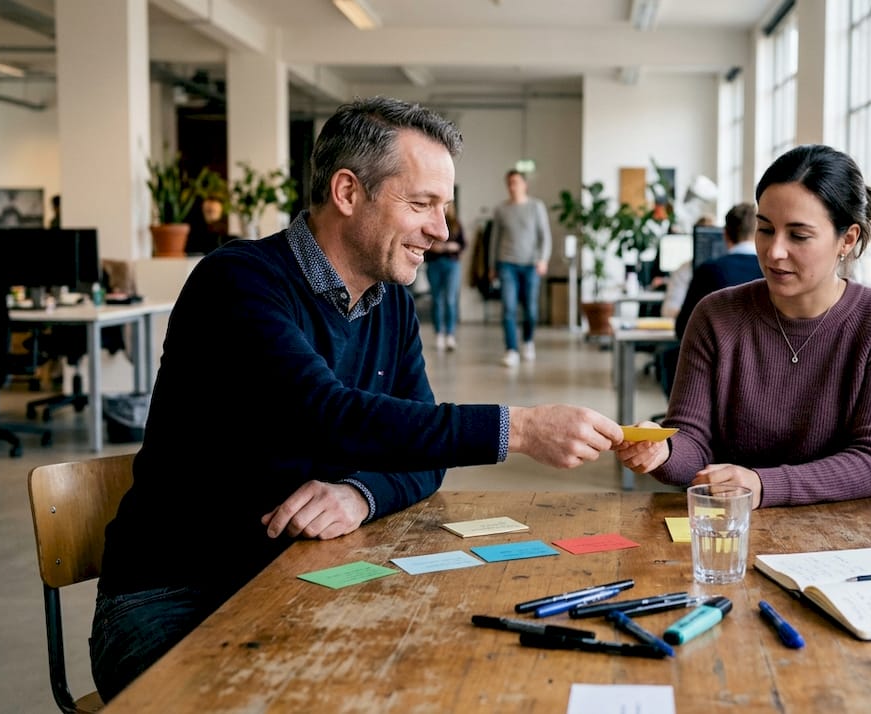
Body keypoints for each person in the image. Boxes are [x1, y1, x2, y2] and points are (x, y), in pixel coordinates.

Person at [90, 97, 623, 701]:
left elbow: (423, 454)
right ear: (347, 192)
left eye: (443, 208)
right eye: (421, 204)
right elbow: (328, 415)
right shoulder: (237, 282)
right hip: (173, 597)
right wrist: (519, 428)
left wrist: (359, 493)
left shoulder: (389, 302)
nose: (442, 231)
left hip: (292, 577)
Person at [617, 145, 871, 508]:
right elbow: (693, 443)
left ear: (847, 239)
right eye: (765, 229)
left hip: (842, 533)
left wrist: (762, 484)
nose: (774, 251)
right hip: (733, 527)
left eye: (798, 235)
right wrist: (663, 449)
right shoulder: (716, 315)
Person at [489, 169, 551, 366]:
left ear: (525, 184)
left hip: (531, 264)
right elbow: (494, 239)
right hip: (507, 264)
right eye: (509, 183)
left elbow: (545, 236)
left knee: (531, 309)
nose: (512, 186)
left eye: (516, 182)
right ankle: (511, 349)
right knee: (508, 307)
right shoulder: (501, 209)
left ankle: (528, 341)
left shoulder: (536, 207)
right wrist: (492, 266)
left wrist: (543, 259)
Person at [673, 202, 763, 339]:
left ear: (725, 234)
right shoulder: (770, 271)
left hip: (717, 357)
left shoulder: (708, 270)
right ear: (758, 233)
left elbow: (683, 327)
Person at [425, 203, 465, 350]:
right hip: (434, 263)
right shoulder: (429, 221)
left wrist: (450, 247)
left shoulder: (456, 224)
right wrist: (432, 248)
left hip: (451, 264)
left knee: (450, 299)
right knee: (436, 300)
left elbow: (463, 244)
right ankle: (439, 334)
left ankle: (450, 335)